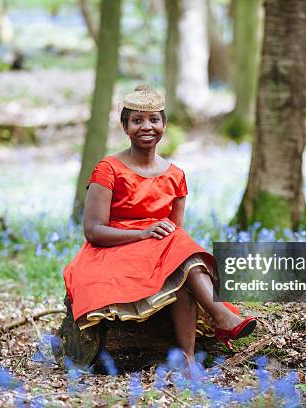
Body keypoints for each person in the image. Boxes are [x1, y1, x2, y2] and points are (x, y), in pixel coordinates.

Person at [63, 85, 256, 366]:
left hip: (160, 253)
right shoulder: (109, 168)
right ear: (125, 126)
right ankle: (220, 315)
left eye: (154, 119)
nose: (146, 127)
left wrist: (157, 238)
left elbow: (177, 234)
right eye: (137, 120)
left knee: (180, 256)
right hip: (113, 250)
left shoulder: (176, 175)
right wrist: (142, 233)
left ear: (164, 124)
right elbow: (93, 230)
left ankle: (188, 360)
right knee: (179, 253)